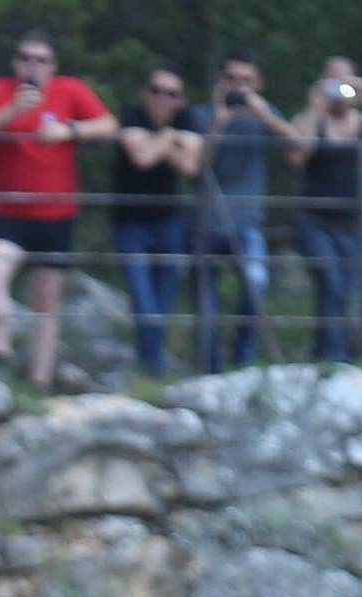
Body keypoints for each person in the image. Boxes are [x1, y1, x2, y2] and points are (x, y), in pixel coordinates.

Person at [0, 31, 117, 387]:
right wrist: (13, 110)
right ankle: (1, 352)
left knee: (46, 302)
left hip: (56, 215)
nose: (32, 65)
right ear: (14, 61)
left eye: (40, 60)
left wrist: (70, 130)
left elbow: (109, 125)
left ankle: (39, 383)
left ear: (53, 65)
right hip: (9, 212)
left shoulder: (70, 90)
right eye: (25, 58)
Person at [197, 53, 294, 371]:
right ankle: (210, 369)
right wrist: (220, 120)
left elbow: (296, 145)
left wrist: (262, 114)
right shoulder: (203, 115)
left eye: (246, 81)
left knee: (256, 284)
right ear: (220, 82)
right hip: (206, 225)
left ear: (258, 84)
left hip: (248, 223)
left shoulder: (264, 115)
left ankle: (243, 360)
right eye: (232, 79)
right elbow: (198, 165)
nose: (238, 87)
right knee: (206, 303)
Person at [111, 67, 203, 375]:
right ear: (145, 92)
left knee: (164, 300)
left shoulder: (187, 119)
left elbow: (190, 167)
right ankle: (152, 367)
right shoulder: (131, 114)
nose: (162, 99)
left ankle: (150, 367)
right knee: (143, 297)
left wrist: (157, 143)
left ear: (180, 100)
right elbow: (142, 159)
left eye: (171, 94)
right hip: (130, 221)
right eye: (156, 91)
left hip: (168, 220)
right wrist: (169, 137)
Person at [290, 60, 362, 362]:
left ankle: (333, 355)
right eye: (332, 82)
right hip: (314, 221)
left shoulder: (361, 122)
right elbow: (297, 155)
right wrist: (315, 106)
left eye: (344, 81)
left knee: (346, 292)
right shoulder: (311, 120)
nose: (339, 89)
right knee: (330, 281)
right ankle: (330, 358)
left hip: (351, 223)